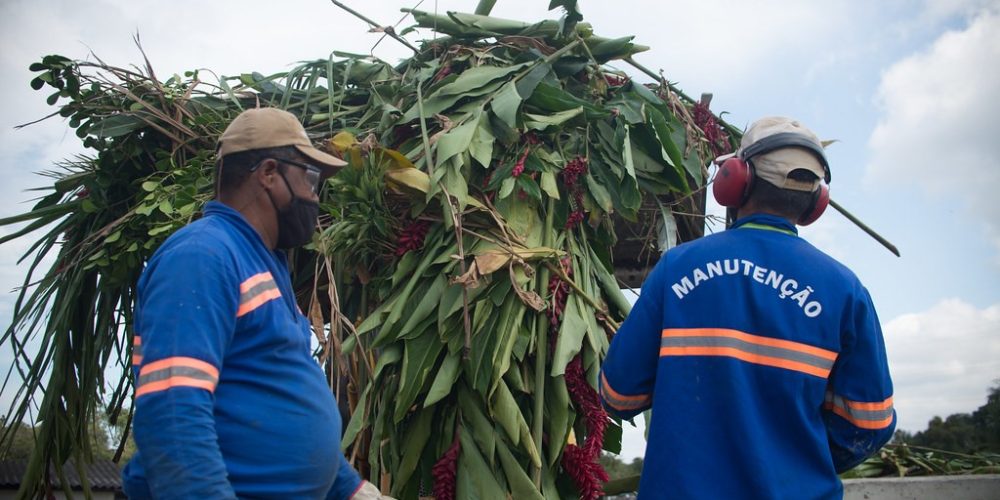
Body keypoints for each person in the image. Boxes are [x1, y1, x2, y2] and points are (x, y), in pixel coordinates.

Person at [599, 116, 895, 499]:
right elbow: (870, 424)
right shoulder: (845, 291)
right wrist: (791, 458)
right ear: (816, 201)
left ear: (736, 180)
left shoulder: (677, 269)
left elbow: (618, 395)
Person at [122, 107, 388, 499]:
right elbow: (173, 407)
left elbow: (272, 397)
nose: (314, 196)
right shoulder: (203, 255)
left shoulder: (264, 264)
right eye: (310, 179)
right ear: (269, 173)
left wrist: (351, 490)